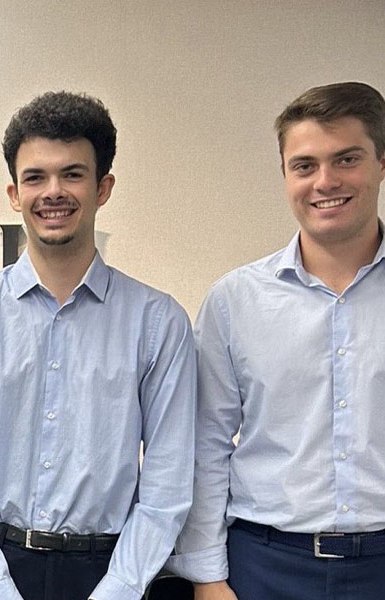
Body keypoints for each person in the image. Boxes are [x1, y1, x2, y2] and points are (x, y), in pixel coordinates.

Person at [0, 91, 196, 600]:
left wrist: (119, 588)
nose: (53, 192)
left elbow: (168, 485)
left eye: (72, 174)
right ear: (13, 192)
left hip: (112, 574)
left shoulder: (158, 322)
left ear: (103, 187)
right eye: (35, 177)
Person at [168, 82, 385, 600]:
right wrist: (208, 576)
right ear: (286, 175)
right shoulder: (235, 301)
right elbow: (205, 446)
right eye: (304, 165)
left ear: (381, 163)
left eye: (346, 159)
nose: (324, 181)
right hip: (264, 568)